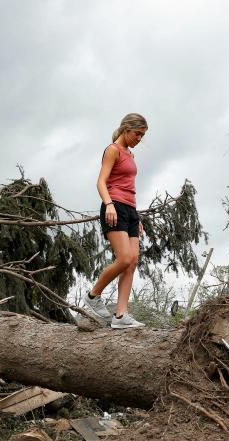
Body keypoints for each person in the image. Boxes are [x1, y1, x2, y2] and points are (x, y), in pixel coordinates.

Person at [84, 113, 148, 329]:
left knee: (132, 262)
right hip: (114, 208)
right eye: (137, 134)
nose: (139, 138)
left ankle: (120, 316)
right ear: (126, 129)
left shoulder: (131, 155)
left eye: (142, 136)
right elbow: (101, 181)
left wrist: (136, 217)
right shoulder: (113, 150)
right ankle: (93, 296)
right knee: (124, 258)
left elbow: (129, 186)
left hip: (130, 210)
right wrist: (109, 203)